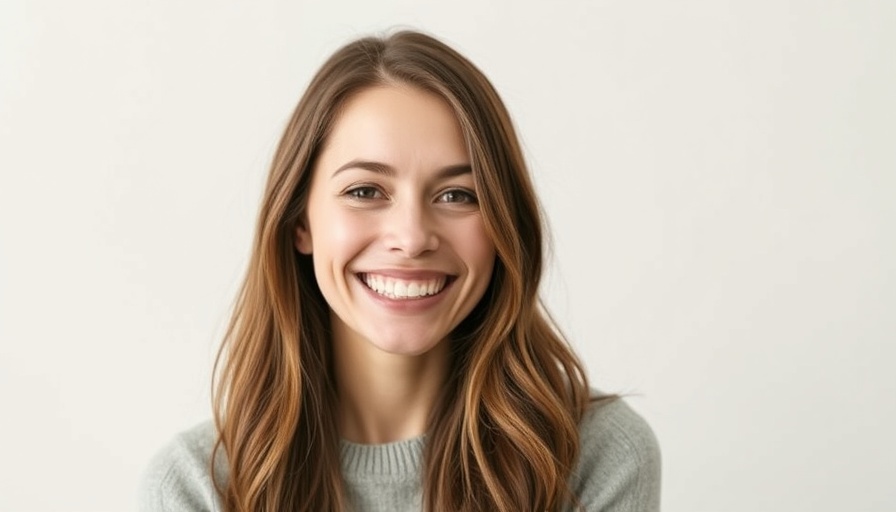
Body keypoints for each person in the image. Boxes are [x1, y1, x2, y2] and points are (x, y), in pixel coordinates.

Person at [139, 29, 661, 512]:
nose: (411, 238)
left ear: (505, 226)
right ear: (301, 221)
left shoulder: (594, 455)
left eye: (458, 195)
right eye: (365, 191)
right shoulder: (198, 485)